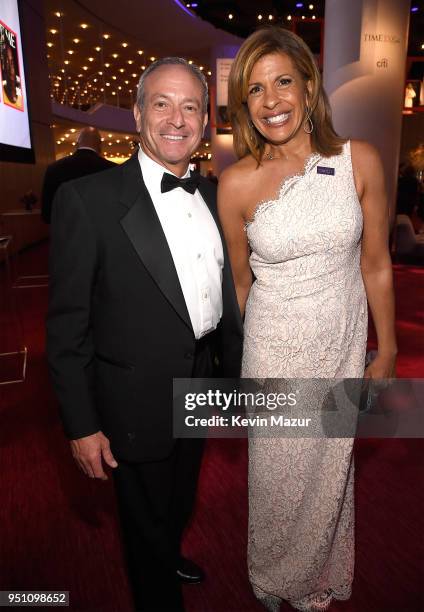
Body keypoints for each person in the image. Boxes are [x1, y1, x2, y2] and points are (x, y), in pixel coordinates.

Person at [47, 57, 243, 612]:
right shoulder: (88, 200)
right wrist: (81, 425)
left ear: (206, 120)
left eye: (190, 107)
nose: (176, 119)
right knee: (143, 517)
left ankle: (167, 551)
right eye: (162, 103)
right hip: (133, 395)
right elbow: (66, 329)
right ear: (137, 113)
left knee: (180, 498)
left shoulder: (215, 196)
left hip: (203, 380)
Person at [218, 27, 397, 612]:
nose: (271, 101)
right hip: (272, 350)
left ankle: (317, 571)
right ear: (243, 104)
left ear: (309, 85)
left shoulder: (358, 160)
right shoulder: (236, 182)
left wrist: (388, 349)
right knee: (274, 479)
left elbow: (375, 264)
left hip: (341, 343)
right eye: (255, 90)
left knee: (330, 471)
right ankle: (272, 578)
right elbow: (240, 284)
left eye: (283, 82)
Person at [41, 127, 115, 223]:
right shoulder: (113, 169)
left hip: (66, 234)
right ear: (100, 146)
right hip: (103, 234)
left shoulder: (54, 168)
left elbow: (47, 214)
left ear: (77, 144)